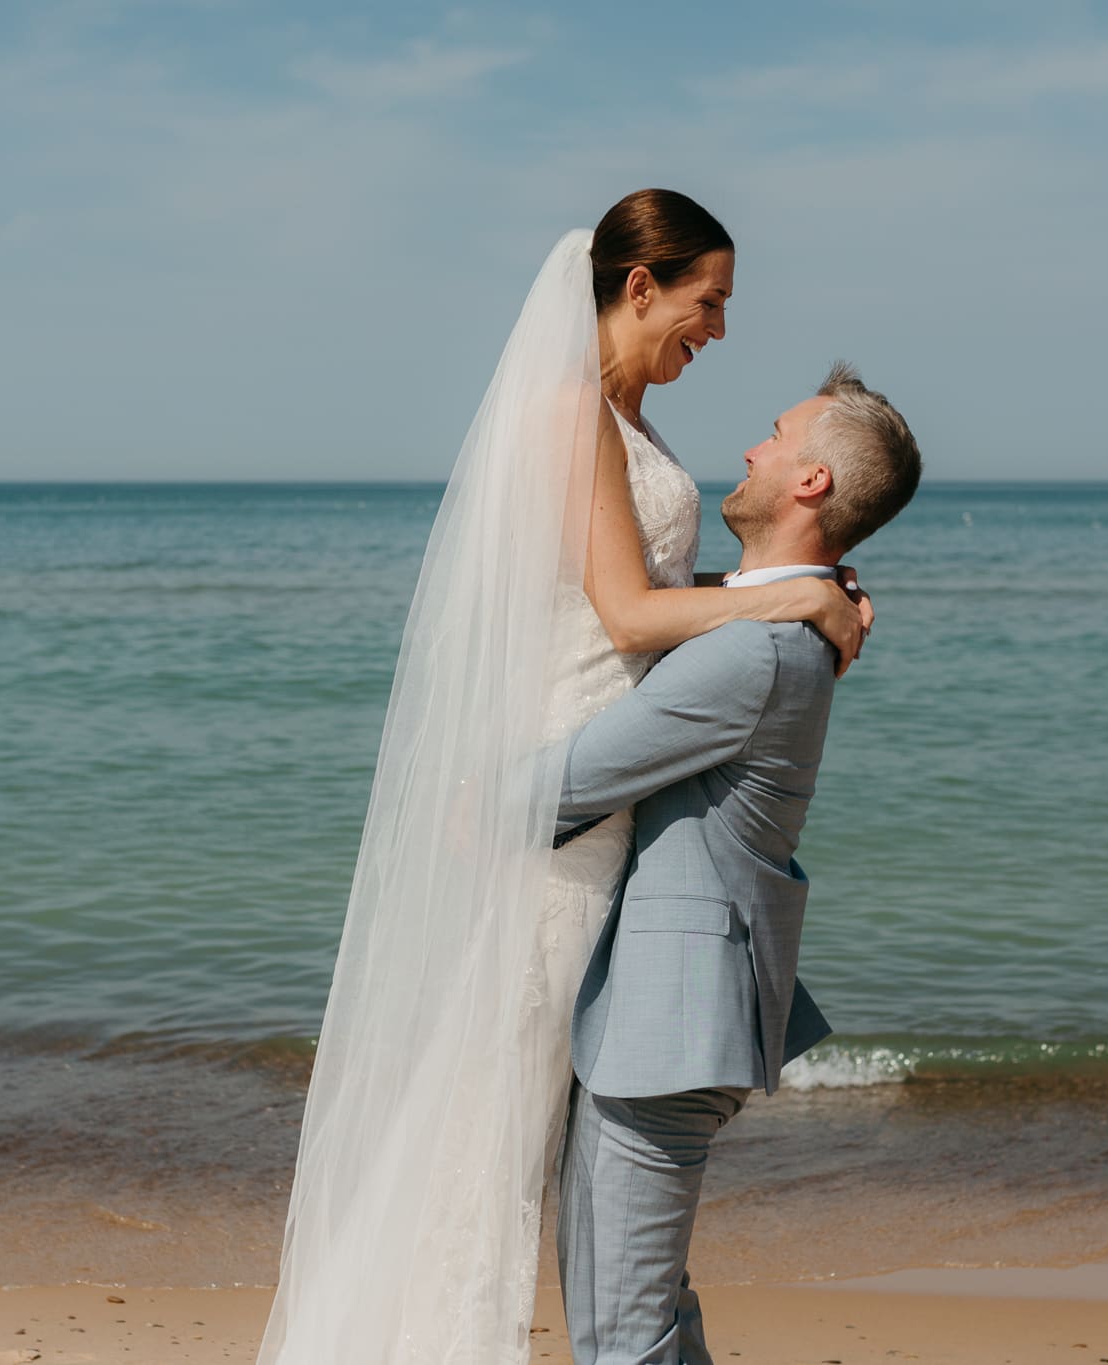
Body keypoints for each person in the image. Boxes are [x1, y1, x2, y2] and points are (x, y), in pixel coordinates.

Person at [254, 191, 869, 1364]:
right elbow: (629, 613)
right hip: (567, 816)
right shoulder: (570, 410)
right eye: (709, 301)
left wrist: (800, 593)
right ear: (640, 286)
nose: (720, 330)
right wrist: (793, 593)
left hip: (606, 802)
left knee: (515, 1135)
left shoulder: (632, 423)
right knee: (482, 1146)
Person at [551, 364, 923, 1364]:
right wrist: (807, 590)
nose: (753, 445)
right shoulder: (778, 624)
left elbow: (550, 791)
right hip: (674, 1013)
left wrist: (452, 800)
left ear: (808, 483)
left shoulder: (754, 654)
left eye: (775, 434)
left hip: (667, 1023)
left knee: (623, 1334)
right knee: (642, 1319)